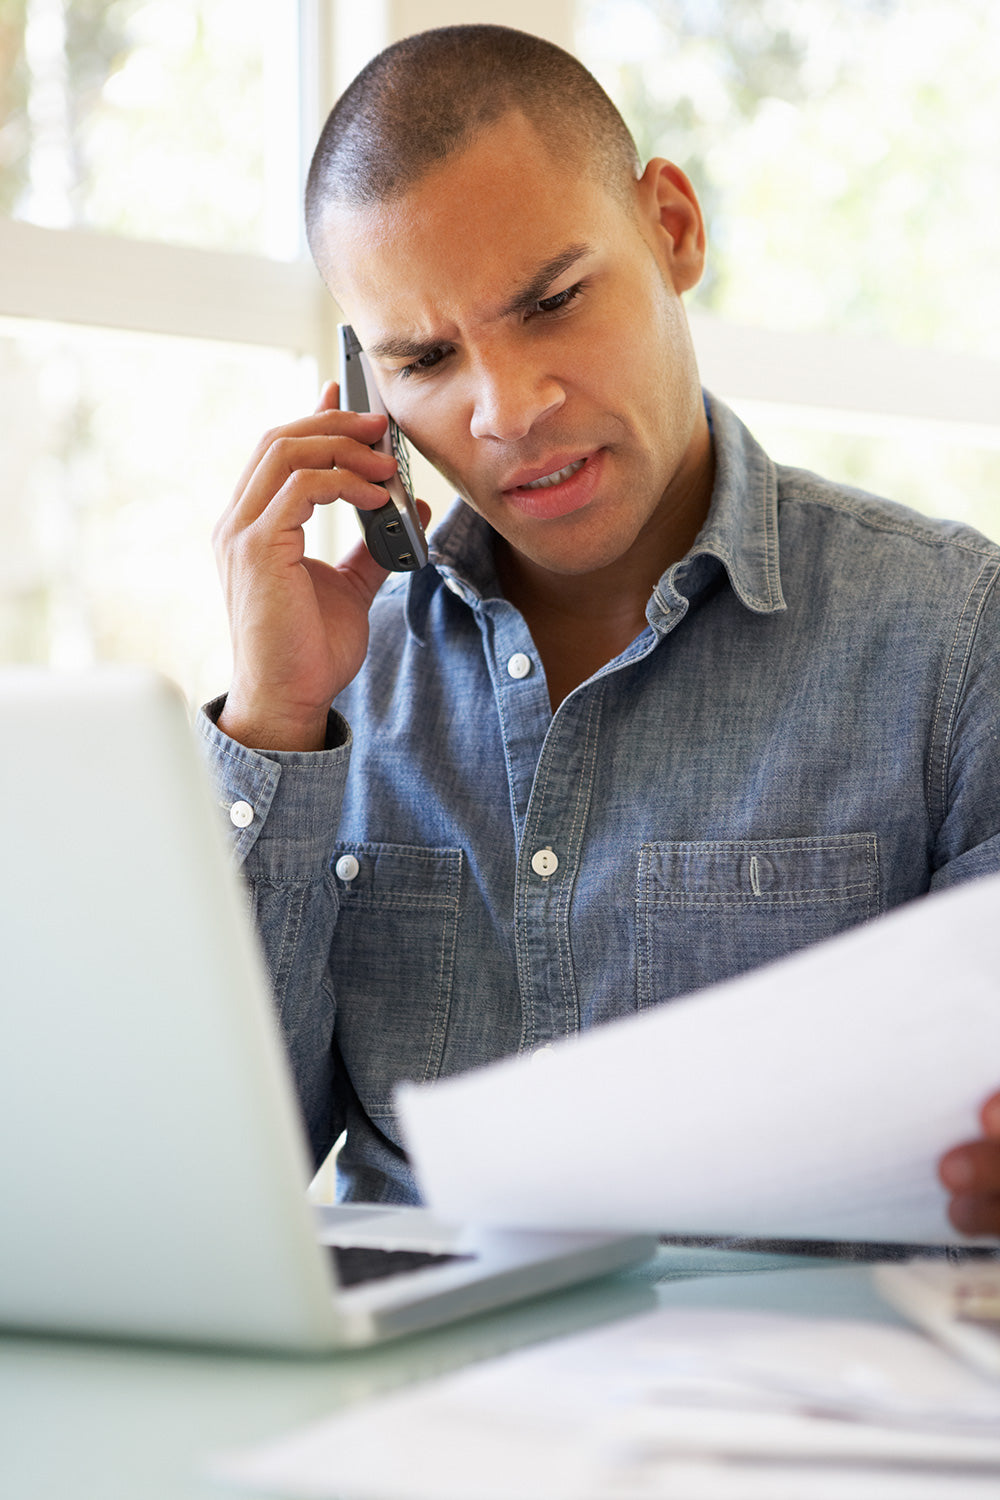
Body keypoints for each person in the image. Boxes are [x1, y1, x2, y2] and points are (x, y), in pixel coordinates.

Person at [203, 24, 1000, 1234]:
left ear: (671, 229)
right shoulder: (328, 682)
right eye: (425, 356)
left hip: (782, 1390)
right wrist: (276, 722)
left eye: (554, 301)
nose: (508, 409)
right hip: (411, 1397)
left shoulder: (955, 637)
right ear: (364, 392)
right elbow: (212, 1172)